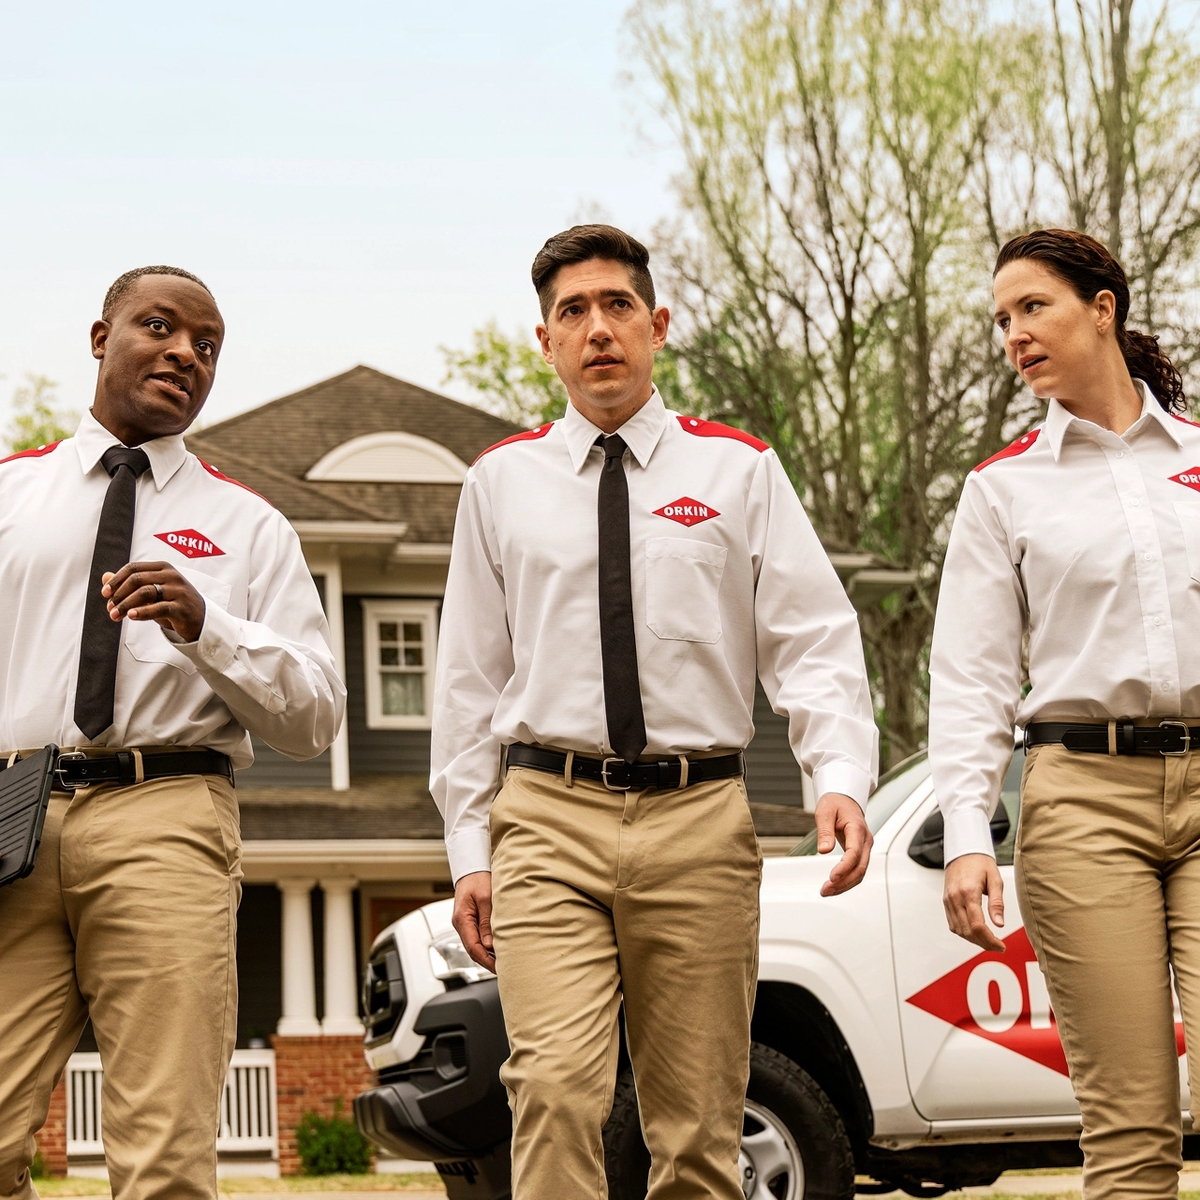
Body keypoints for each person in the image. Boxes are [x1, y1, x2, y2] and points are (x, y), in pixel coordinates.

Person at [430, 224, 878, 1199]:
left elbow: (813, 637)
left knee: (698, 1118)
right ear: (545, 340)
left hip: (699, 819)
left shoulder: (738, 471)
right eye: (572, 312)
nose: (597, 329)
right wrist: (470, 848)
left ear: (658, 325)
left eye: (617, 306)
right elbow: (467, 682)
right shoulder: (499, 484)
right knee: (551, 1087)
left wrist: (838, 775)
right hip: (548, 817)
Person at [0, 266, 345, 1200]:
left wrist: (209, 628)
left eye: (208, 345)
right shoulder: (10, 496)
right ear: (100, 337)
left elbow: (315, 716)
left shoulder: (251, 525)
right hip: (11, 822)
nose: (186, 353)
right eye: (160, 327)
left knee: (161, 1159)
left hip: (167, 821)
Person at [930, 228, 1200, 1199]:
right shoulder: (1004, 491)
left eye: (1032, 307)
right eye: (1001, 320)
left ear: (1103, 307)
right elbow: (971, 678)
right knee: (1129, 1129)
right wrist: (967, 832)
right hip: (1083, 806)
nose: (1013, 335)